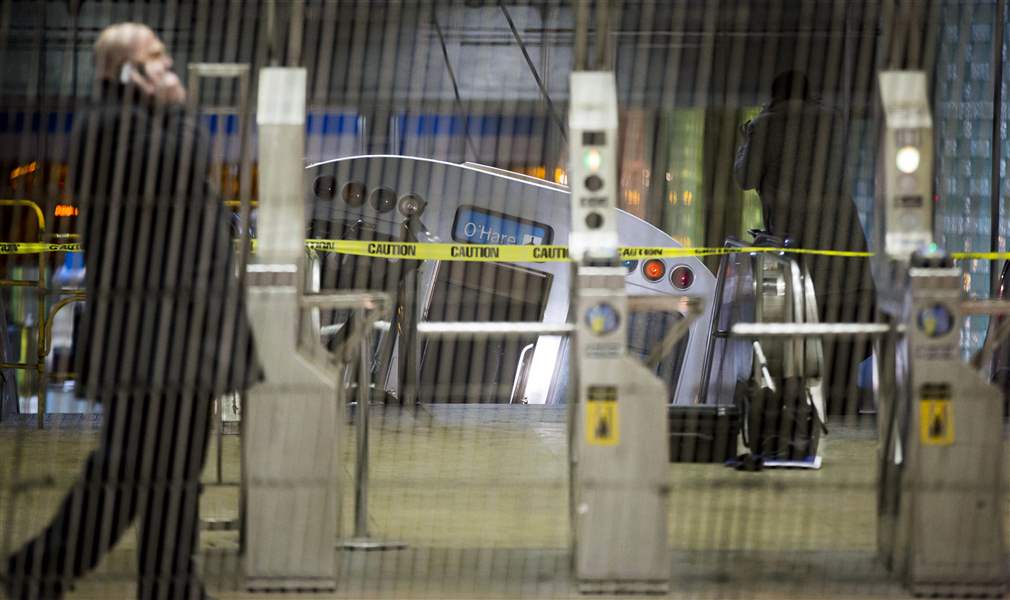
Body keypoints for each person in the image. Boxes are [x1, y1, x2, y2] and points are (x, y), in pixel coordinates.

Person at [5, 22, 260, 599]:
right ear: (121, 71)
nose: (167, 68)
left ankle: (169, 584)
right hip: (150, 342)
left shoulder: (140, 126)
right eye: (153, 59)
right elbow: (181, 162)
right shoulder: (110, 126)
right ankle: (37, 573)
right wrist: (176, 109)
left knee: (172, 477)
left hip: (181, 339)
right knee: (124, 473)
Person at [733, 71, 875, 415]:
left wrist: (749, 135)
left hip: (796, 246)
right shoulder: (833, 121)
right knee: (842, 339)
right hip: (844, 244)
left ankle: (800, 413)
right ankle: (840, 408)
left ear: (775, 96)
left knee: (799, 337)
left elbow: (745, 177)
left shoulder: (767, 124)